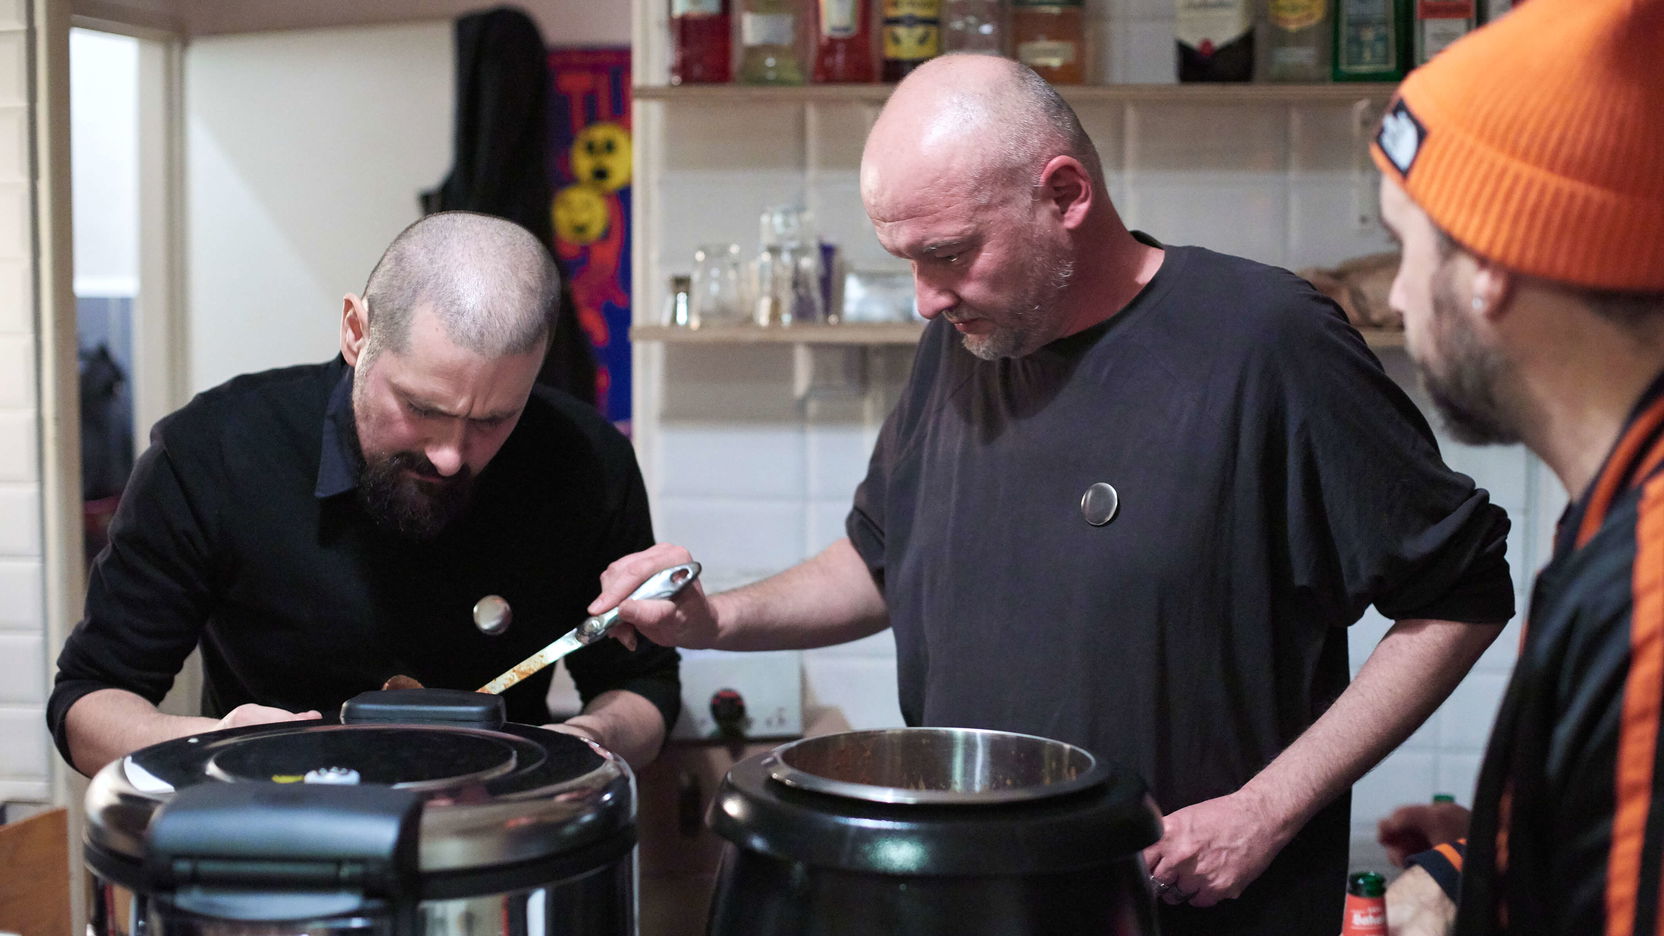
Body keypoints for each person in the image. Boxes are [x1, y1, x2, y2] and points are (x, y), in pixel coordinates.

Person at [592, 55, 1516, 935]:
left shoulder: (1269, 343)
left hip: (1191, 909)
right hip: (974, 897)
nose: (925, 299)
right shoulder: (962, 344)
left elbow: (1460, 597)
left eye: (949, 254)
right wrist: (715, 619)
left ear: (1066, 194)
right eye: (907, 260)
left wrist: (1266, 809)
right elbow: (881, 562)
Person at [48, 211, 680, 775]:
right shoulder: (214, 452)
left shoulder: (585, 460)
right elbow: (88, 702)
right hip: (269, 831)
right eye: (422, 407)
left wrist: (586, 741)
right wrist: (219, 746)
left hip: (500, 835)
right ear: (356, 331)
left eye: (493, 420)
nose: (450, 455)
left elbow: (644, 687)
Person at [1362, 0, 1664, 932]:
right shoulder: (1613, 515)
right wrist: (1490, 856)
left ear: (1491, 262)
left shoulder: (1649, 596)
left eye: (1406, 248)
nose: (1399, 298)